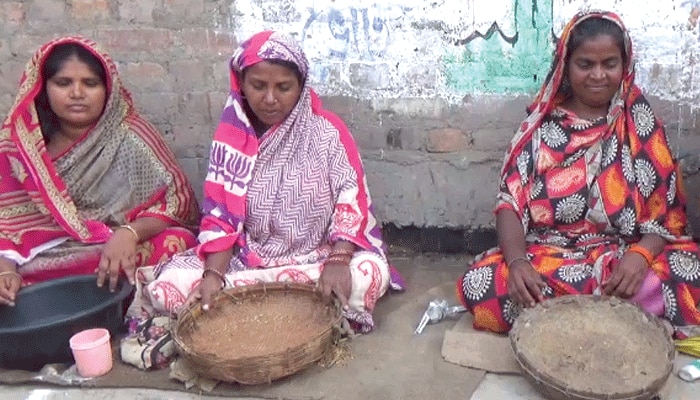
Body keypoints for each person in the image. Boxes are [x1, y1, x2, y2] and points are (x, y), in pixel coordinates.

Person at [128, 31, 404, 334]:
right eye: (258, 86)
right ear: (241, 84)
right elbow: (220, 220)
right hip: (246, 260)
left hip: (318, 257)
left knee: (369, 273)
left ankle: (251, 304)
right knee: (172, 287)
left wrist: (338, 260)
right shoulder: (231, 138)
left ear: (301, 86)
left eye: (283, 87)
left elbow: (350, 200)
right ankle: (284, 303)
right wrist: (214, 277)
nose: (270, 99)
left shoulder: (328, 133)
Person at [456, 11, 700, 337]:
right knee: (480, 283)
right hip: (550, 256)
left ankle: (562, 324)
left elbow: (667, 219)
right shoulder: (540, 128)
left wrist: (640, 256)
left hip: (624, 257)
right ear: (566, 66)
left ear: (624, 65)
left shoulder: (641, 124)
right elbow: (509, 205)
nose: (598, 75)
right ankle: (616, 323)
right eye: (585, 64)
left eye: (609, 64)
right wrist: (517, 264)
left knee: (688, 273)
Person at [0, 37, 200, 306]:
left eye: (90, 83)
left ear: (108, 88)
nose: (77, 93)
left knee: (178, 242)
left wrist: (129, 233)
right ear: (42, 87)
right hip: (41, 258)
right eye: (63, 83)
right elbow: (7, 225)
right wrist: (5, 268)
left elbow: (178, 203)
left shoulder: (130, 136)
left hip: (114, 249)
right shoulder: (21, 148)